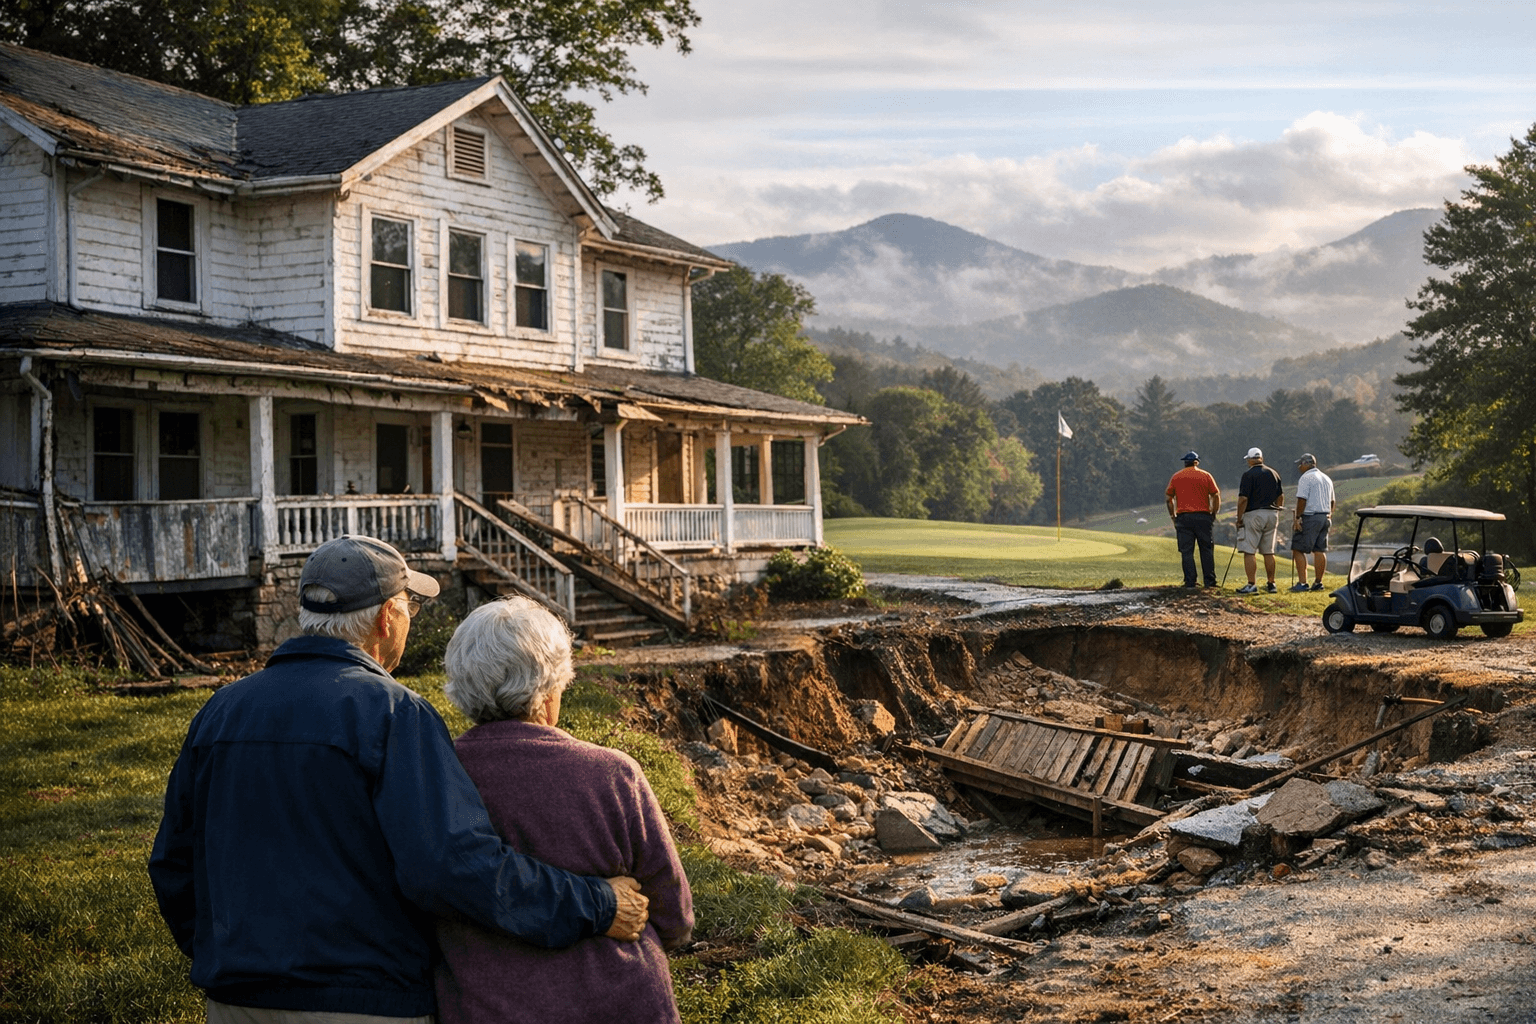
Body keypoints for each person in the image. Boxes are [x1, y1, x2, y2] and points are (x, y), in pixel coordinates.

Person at [148, 535, 649, 1024]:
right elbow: (453, 869)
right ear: (388, 618)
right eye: (410, 604)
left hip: (235, 1000)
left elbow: (173, 863)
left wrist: (226, 955)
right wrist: (597, 904)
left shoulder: (221, 712)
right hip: (364, 1001)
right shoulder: (393, 712)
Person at [435, 597, 693, 1024]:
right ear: (550, 686)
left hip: (486, 1005)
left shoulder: (437, 775)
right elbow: (675, 911)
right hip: (622, 1001)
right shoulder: (612, 774)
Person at [1165, 450, 1222, 588]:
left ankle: (1190, 581)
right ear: (1197, 462)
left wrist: (1173, 516)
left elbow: (1169, 499)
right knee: (1206, 549)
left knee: (1186, 551)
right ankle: (1210, 581)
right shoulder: (1206, 475)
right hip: (1203, 516)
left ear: (1185, 463)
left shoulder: (1176, 477)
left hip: (1184, 517)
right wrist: (1214, 512)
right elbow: (1215, 494)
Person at [1233, 447, 1284, 594]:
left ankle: (1251, 584)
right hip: (1272, 513)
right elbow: (1280, 496)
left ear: (1250, 460)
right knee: (1269, 552)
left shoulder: (1248, 475)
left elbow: (1243, 499)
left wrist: (1239, 518)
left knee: (1249, 551)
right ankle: (1271, 584)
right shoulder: (1273, 473)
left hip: (1254, 514)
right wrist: (1277, 509)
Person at [1290, 453, 1336, 591]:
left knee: (1297, 548)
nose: (1299, 467)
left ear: (1306, 464)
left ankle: (1303, 583)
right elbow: (1333, 501)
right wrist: (1330, 514)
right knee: (1320, 550)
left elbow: (1302, 500)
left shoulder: (1306, 478)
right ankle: (1318, 583)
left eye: (1300, 464)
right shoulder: (1326, 478)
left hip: (1310, 517)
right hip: (1325, 517)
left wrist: (1298, 518)